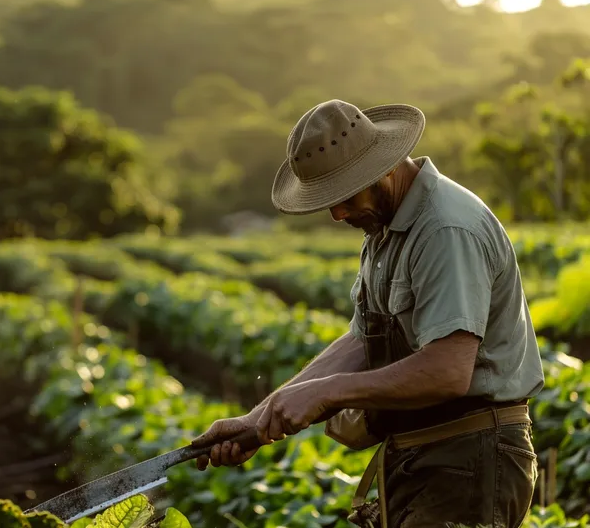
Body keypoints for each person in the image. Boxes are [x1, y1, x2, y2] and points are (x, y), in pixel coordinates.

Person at [190, 99, 545, 528]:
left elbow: (447, 371)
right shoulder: (384, 227)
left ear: (384, 170)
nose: (338, 213)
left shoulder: (446, 229)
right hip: (423, 455)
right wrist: (257, 419)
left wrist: (331, 391)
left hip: (471, 457)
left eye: (344, 196)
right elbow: (362, 340)